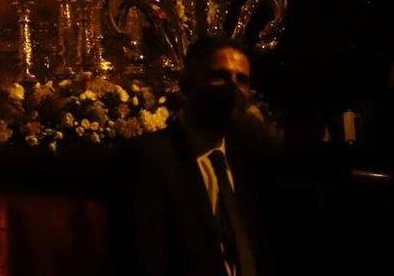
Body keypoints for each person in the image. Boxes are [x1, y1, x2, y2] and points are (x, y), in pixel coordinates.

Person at [107, 35, 282, 276]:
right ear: (187, 85)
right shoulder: (149, 158)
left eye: (241, 80)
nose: (232, 90)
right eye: (219, 77)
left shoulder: (248, 163)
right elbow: (145, 256)